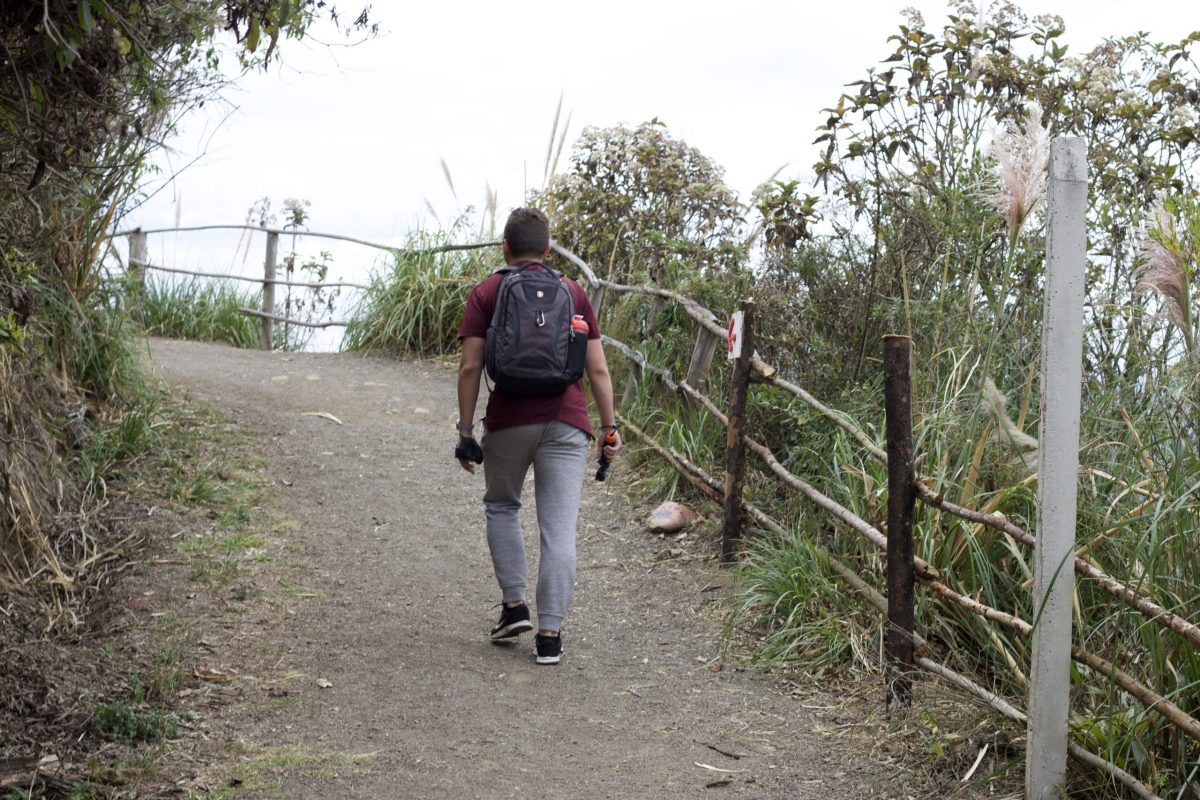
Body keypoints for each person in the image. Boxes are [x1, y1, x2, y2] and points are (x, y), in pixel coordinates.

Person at [455, 207, 621, 666]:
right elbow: (598, 369)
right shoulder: (574, 292)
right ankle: (550, 636)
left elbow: (471, 366)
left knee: (502, 505)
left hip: (509, 420)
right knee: (558, 528)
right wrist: (610, 428)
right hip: (568, 423)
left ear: (504, 248)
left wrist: (466, 430)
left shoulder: (487, 290)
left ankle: (514, 607)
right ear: (549, 249)